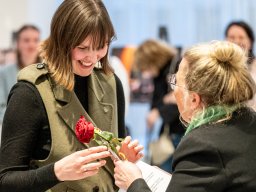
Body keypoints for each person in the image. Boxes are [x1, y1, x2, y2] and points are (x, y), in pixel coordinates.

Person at [0, 0, 143, 191]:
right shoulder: (31, 92)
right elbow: (6, 180)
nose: (92, 57)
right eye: (83, 48)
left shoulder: (111, 84)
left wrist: (124, 159)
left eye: (101, 46)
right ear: (62, 41)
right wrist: (56, 172)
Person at [114, 40, 256, 192]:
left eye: (175, 81)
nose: (173, 90)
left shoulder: (202, 145)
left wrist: (134, 182)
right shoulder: (249, 120)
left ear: (194, 99)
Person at [133, 39, 184, 171]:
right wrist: (158, 108)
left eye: (146, 67)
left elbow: (180, 100)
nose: (145, 73)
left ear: (153, 59)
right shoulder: (159, 74)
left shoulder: (176, 66)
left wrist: (158, 110)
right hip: (169, 132)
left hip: (180, 131)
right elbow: (160, 99)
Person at [0, 24, 41, 127]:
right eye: (26, 40)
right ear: (18, 44)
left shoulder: (48, 72)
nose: (31, 45)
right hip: (12, 129)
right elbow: (1, 106)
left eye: (35, 40)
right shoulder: (4, 73)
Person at [225, 20, 256, 110]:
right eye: (232, 37)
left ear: (250, 41)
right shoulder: (219, 67)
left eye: (241, 37)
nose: (236, 41)